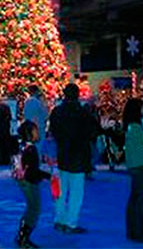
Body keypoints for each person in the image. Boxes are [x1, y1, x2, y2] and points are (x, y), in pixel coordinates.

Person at [49, 83, 96, 234]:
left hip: (61, 155)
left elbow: (53, 131)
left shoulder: (57, 111)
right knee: (76, 192)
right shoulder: (82, 112)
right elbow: (92, 131)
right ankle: (71, 223)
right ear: (77, 95)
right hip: (78, 157)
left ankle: (59, 219)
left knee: (59, 191)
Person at [14, 121, 51, 248]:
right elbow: (33, 170)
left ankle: (22, 235)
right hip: (29, 182)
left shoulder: (23, 147)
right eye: (35, 131)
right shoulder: (31, 149)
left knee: (31, 207)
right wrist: (47, 176)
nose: (38, 133)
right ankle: (24, 237)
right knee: (34, 208)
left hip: (23, 180)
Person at [123, 99, 143, 243]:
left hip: (132, 165)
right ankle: (140, 233)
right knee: (140, 200)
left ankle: (132, 231)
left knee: (134, 199)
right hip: (141, 165)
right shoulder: (137, 127)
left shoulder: (129, 127)